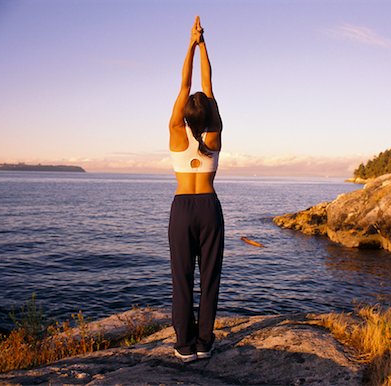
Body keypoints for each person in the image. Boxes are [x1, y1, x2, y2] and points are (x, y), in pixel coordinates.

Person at [168, 16, 224, 363]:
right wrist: (205, 45)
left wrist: (191, 42)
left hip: (182, 208)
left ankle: (184, 346)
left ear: (186, 114)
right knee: (210, 277)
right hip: (209, 207)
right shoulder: (215, 131)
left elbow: (185, 83)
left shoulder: (176, 129)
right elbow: (208, 83)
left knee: (182, 277)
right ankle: (204, 342)